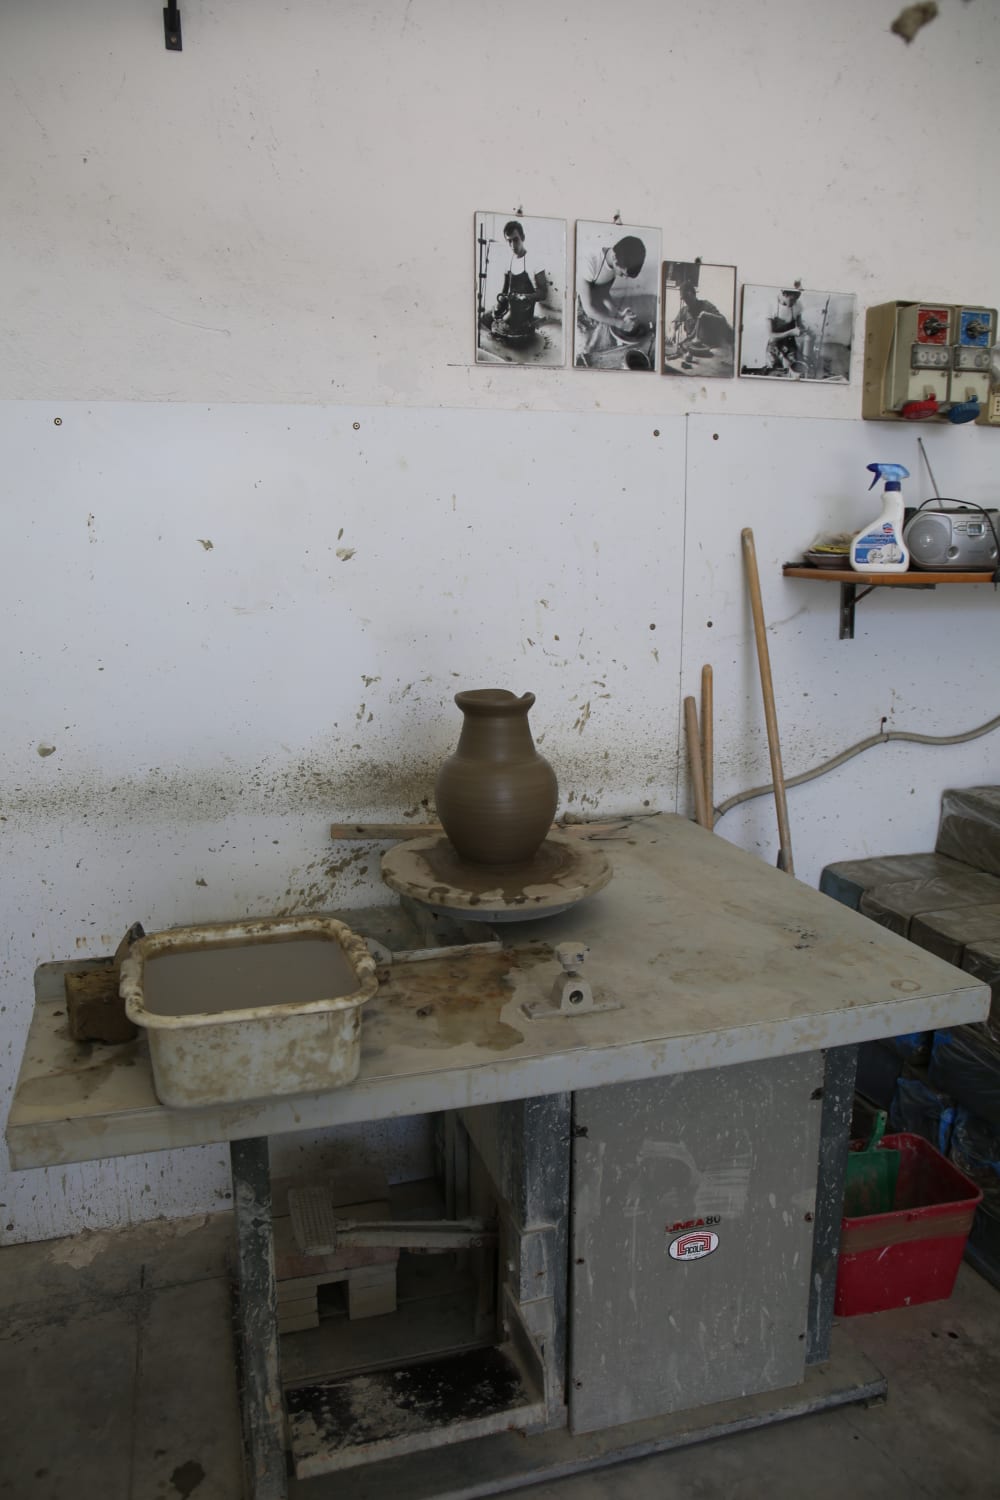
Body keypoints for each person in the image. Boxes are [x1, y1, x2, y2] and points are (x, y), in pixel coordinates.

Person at [487, 220, 549, 345]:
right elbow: (504, 292)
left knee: (513, 342)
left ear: (523, 238)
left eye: (515, 240)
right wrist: (498, 306)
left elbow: (543, 293)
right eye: (509, 241)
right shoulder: (507, 261)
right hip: (510, 310)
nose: (512, 245)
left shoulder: (535, 261)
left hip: (524, 315)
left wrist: (524, 297)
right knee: (486, 320)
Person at [576, 235, 647, 341]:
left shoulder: (617, 260)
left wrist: (619, 313)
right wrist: (620, 324)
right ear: (614, 258)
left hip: (594, 298)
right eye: (622, 274)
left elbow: (603, 293)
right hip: (579, 300)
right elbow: (589, 310)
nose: (623, 277)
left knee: (609, 324)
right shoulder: (590, 263)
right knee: (589, 337)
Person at [767, 288, 812, 375]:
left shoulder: (797, 304)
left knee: (791, 370)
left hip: (789, 343)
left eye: (795, 300)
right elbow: (771, 335)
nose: (793, 303)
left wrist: (804, 330)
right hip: (774, 344)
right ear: (784, 294)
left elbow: (799, 325)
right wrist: (791, 332)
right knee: (775, 372)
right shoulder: (771, 305)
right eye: (791, 300)